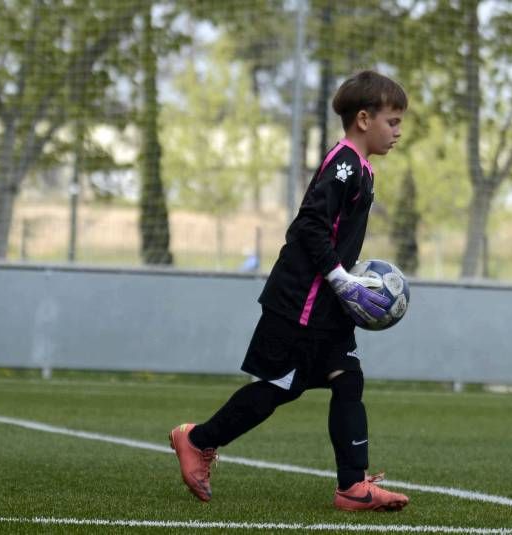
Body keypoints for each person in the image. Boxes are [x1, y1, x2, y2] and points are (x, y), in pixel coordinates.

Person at [169, 70, 409, 512]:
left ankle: (352, 488)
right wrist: (340, 277)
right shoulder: (344, 165)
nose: (397, 131)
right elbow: (310, 226)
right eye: (392, 121)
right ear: (362, 119)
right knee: (281, 387)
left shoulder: (361, 168)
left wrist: (344, 282)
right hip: (302, 301)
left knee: (348, 378)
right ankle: (197, 440)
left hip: (327, 304)